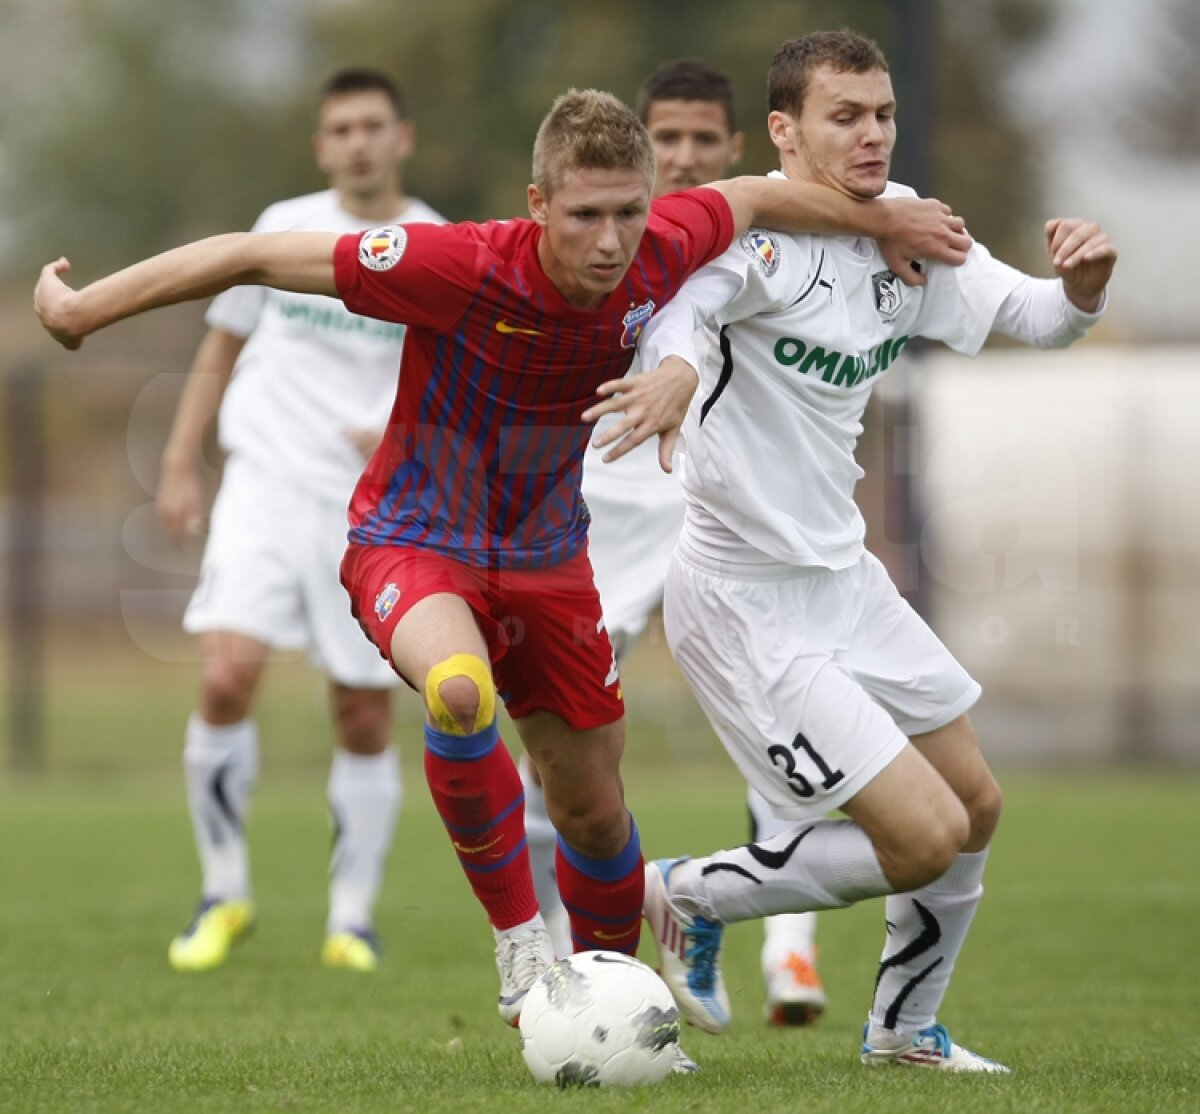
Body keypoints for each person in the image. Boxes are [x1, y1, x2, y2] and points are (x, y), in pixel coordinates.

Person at [34, 88, 972, 1040]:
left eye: (627, 213)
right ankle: (521, 939)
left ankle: (618, 1005)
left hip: (549, 560)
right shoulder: (460, 265)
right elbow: (247, 255)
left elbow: (758, 199)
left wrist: (886, 213)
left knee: (596, 815)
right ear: (536, 205)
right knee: (457, 691)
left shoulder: (664, 247)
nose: (611, 242)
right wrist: (82, 310)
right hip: (414, 539)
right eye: (584, 216)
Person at [631, 30, 1117, 1071]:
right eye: (844, 115)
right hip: (744, 597)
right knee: (922, 835)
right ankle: (688, 891)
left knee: (975, 806)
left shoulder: (907, 232)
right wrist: (674, 368)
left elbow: (1032, 315)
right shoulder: (751, 234)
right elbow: (687, 308)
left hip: (846, 584)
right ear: (784, 132)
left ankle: (903, 1032)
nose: (871, 133)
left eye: (883, 113)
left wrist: (1082, 286)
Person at [518, 58, 828, 1027]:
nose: (688, 157)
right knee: (563, 754)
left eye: (705, 140)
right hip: (607, 504)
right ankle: (568, 970)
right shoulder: (610, 237)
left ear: (735, 150)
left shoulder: (766, 240)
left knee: (781, 718)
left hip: (728, 511)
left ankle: (789, 954)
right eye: (672, 141)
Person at [155, 68, 444, 974]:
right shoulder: (283, 228)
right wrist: (177, 463)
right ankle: (223, 892)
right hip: (266, 484)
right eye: (341, 128)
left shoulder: (437, 242)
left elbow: (457, 384)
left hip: (373, 508)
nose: (358, 141)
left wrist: (408, 431)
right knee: (226, 678)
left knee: (361, 713)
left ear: (402, 137)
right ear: (323, 146)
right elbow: (221, 343)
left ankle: (350, 918)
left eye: (373, 125)